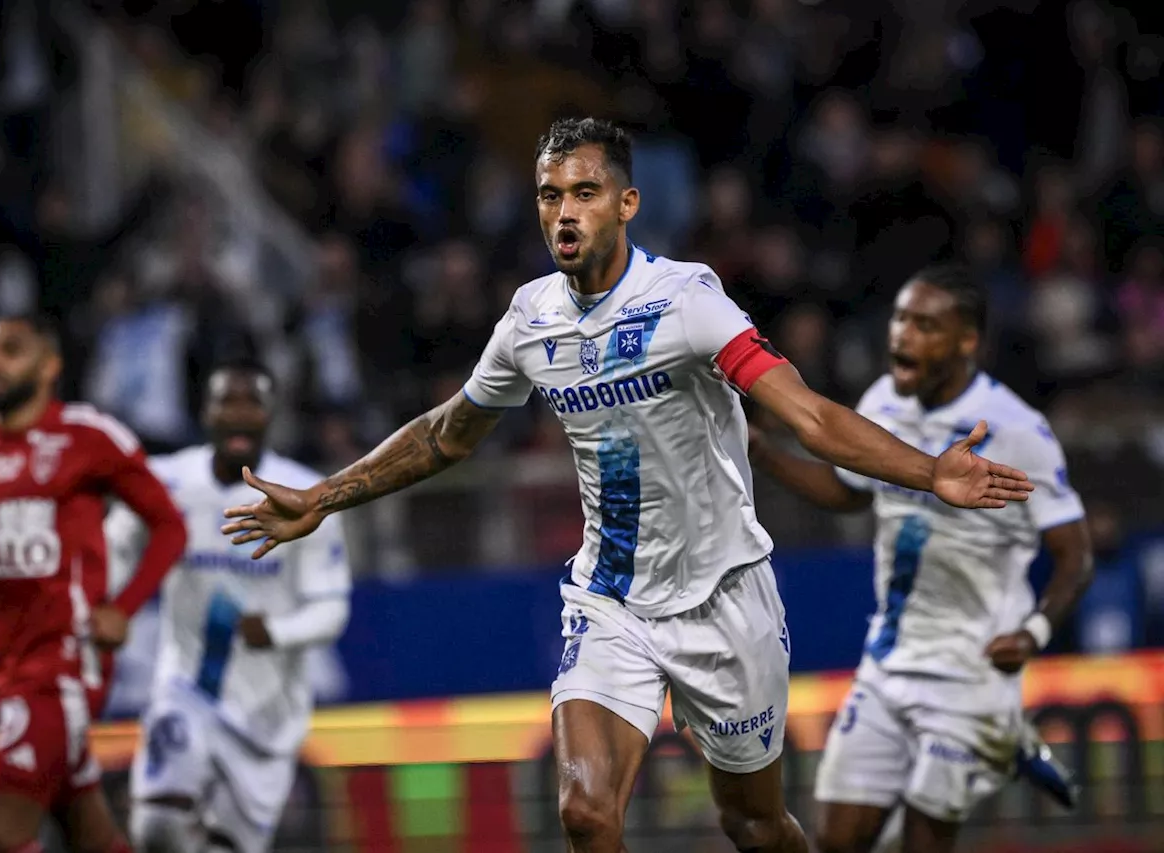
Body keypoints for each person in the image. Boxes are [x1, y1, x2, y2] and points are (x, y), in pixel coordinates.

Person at [218, 118, 1033, 853]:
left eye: (584, 192)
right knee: (584, 811)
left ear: (627, 203)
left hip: (726, 598)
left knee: (752, 823)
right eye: (548, 195)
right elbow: (446, 435)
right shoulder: (529, 321)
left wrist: (930, 472)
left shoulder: (686, 301)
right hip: (610, 602)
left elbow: (809, 416)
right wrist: (324, 496)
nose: (563, 213)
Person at [748, 264, 1092, 853]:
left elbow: (1075, 553)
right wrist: (759, 450)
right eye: (901, 318)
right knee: (836, 840)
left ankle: (1003, 732)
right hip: (889, 662)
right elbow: (845, 491)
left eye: (925, 324)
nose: (902, 335)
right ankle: (1010, 744)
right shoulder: (883, 400)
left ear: (967, 342)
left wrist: (1035, 632)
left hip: (972, 672)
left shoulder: (1015, 429)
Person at [0, 315, 188, 853]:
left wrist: (124, 607)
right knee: (88, 830)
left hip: (65, 664)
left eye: (12, 350)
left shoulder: (88, 436)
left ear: (49, 365)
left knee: (1, 834)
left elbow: (169, 525)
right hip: (1, 665)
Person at [105, 359, 351, 853]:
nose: (239, 413)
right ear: (204, 411)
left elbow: (332, 609)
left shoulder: (306, 494)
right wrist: (108, 600)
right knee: (157, 830)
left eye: (252, 402)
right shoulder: (166, 480)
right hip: (185, 687)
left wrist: (277, 631)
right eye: (226, 401)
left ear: (271, 413)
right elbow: (116, 542)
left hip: (267, 713)